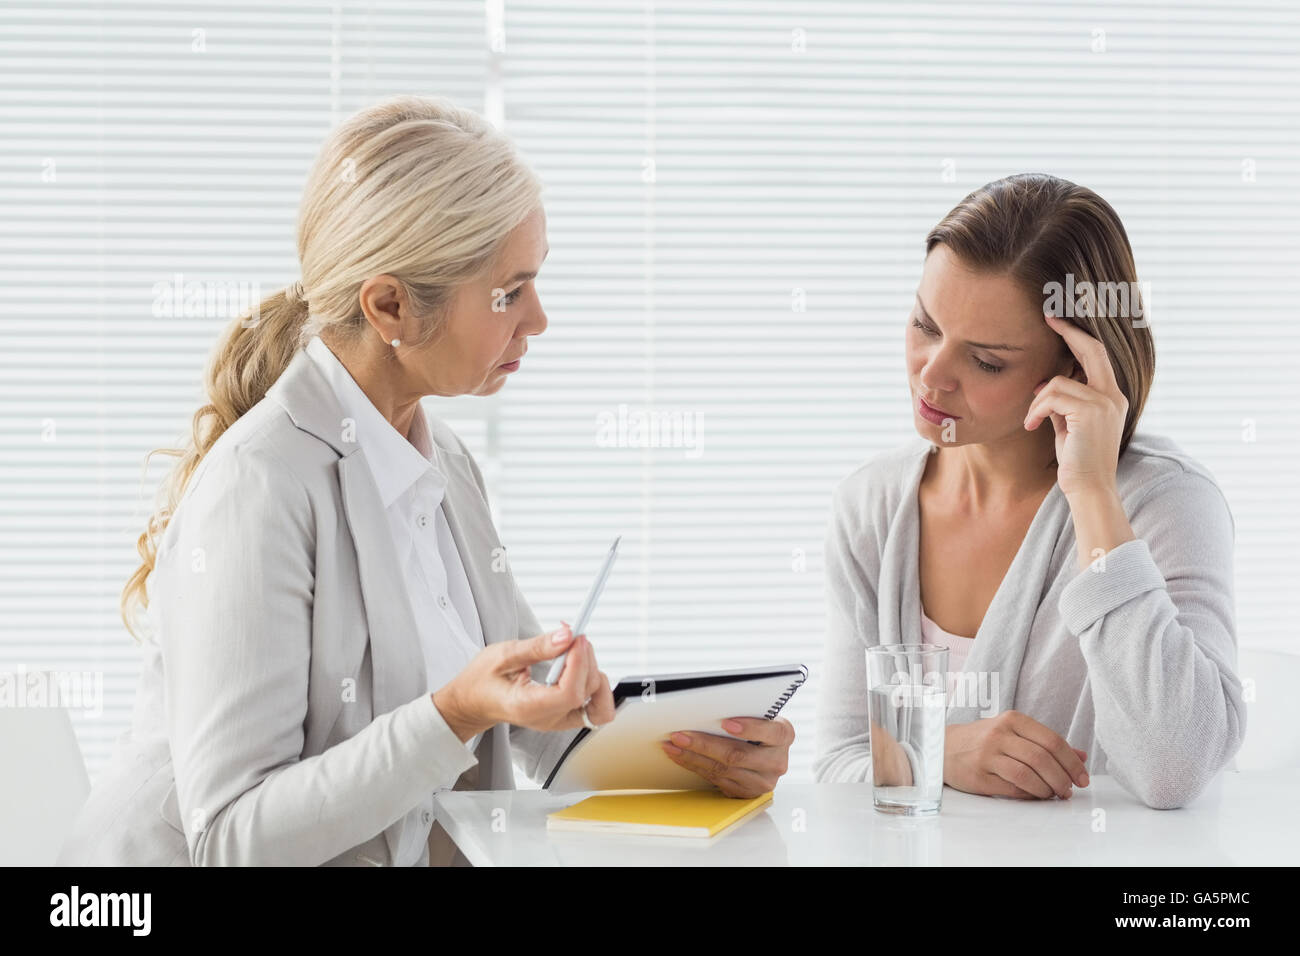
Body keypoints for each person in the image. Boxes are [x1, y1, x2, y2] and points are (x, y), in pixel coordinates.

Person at [58, 94, 792, 867]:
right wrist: (452, 716)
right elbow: (235, 837)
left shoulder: (442, 465)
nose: (538, 318)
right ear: (390, 306)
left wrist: (694, 763)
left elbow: (523, 727)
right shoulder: (259, 488)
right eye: (509, 291)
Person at [813, 173, 1245, 810]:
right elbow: (840, 764)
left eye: (986, 360)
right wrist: (940, 752)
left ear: (1073, 367)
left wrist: (1093, 494)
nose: (931, 376)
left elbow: (1175, 768)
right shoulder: (871, 508)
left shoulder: (1166, 503)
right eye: (925, 324)